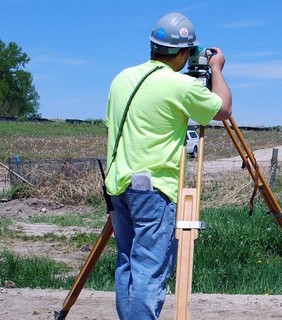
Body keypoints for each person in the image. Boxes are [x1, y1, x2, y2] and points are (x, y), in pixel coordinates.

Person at [104, 12, 232, 320]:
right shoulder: (179, 87)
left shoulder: (122, 78)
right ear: (185, 52)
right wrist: (216, 70)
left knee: (128, 265)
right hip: (153, 190)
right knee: (149, 271)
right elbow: (223, 109)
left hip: (118, 185)